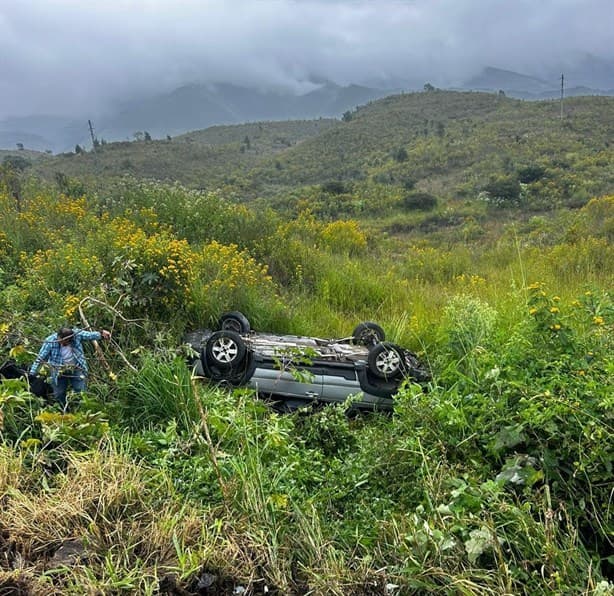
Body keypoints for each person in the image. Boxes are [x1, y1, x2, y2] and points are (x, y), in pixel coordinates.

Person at [30, 326, 111, 410]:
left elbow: (89, 335)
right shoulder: (50, 341)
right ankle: (64, 411)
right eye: (62, 341)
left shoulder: (76, 335)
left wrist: (101, 334)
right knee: (59, 394)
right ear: (58, 336)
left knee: (81, 392)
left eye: (67, 341)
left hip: (77, 368)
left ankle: (81, 410)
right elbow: (41, 358)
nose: (64, 343)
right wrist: (32, 374)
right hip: (58, 371)